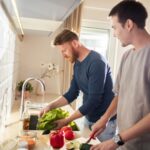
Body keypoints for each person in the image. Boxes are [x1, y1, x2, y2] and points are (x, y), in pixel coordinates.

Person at [90, 1, 150, 150]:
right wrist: (104, 119)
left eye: (115, 28)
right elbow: (120, 95)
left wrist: (116, 140)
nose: (115, 33)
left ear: (128, 24)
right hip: (126, 143)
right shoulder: (127, 56)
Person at [40, 29, 116, 141]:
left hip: (106, 122)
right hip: (89, 117)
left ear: (75, 43)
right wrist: (50, 106)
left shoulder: (97, 62)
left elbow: (94, 99)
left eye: (64, 50)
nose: (63, 55)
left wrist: (67, 120)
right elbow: (72, 93)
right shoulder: (77, 64)